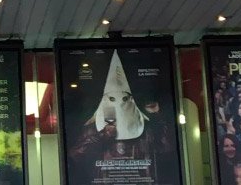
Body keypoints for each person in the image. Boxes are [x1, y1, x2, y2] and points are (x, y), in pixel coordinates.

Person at [69, 52, 176, 184]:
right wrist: (103, 135)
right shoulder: (93, 129)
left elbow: (166, 148)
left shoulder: (146, 129)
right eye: (112, 99)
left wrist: (157, 116)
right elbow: (76, 155)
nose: (119, 104)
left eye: (124, 99)